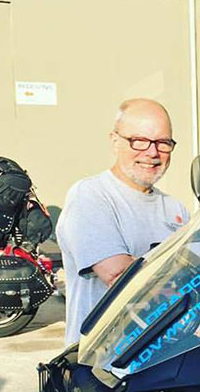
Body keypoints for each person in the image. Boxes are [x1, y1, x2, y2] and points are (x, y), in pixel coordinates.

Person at [56, 98, 189, 344]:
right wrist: (185, 291)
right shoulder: (90, 196)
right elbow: (118, 276)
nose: (152, 153)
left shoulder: (175, 209)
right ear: (115, 141)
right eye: (139, 141)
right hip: (104, 363)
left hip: (164, 356)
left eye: (163, 143)